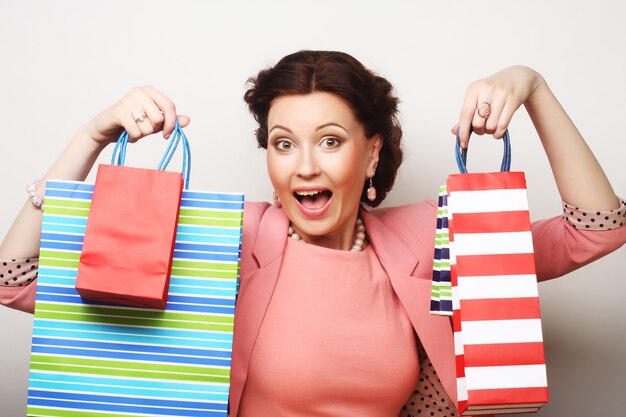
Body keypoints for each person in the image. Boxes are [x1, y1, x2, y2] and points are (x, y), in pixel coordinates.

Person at [1, 50, 624, 417]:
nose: (304, 165)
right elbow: (15, 281)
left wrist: (533, 86)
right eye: (283, 143)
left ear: (371, 152)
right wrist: (90, 138)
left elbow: (597, 229)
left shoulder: (429, 242)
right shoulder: (221, 240)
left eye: (330, 141)